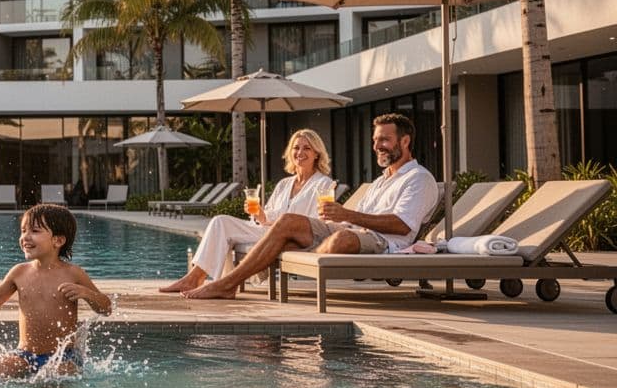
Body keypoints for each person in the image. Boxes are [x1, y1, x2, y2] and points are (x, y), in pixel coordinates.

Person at [182, 112, 439, 301]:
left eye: (384, 140)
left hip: (383, 242)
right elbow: (351, 219)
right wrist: (341, 218)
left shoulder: (418, 178)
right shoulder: (381, 181)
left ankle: (228, 282)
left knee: (341, 240)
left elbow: (402, 224)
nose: (376, 146)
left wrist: (346, 214)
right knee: (287, 223)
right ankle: (228, 284)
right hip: (347, 229)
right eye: (375, 140)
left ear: (405, 142)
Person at [160, 129, 336, 294]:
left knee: (227, 227)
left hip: (291, 237)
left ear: (316, 154)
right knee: (220, 221)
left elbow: (318, 222)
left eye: (307, 148)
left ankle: (212, 282)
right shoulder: (284, 184)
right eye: (296, 147)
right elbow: (270, 214)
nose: (300, 152)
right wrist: (260, 214)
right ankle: (195, 278)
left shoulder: (324, 184)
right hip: (268, 230)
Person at [0, 204, 112, 377]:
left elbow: (106, 308)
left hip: (63, 357)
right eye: (23, 231)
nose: (25, 237)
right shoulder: (19, 272)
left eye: (35, 231)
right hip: (25, 355)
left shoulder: (73, 273)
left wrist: (86, 293)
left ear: (58, 241)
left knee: (59, 379)